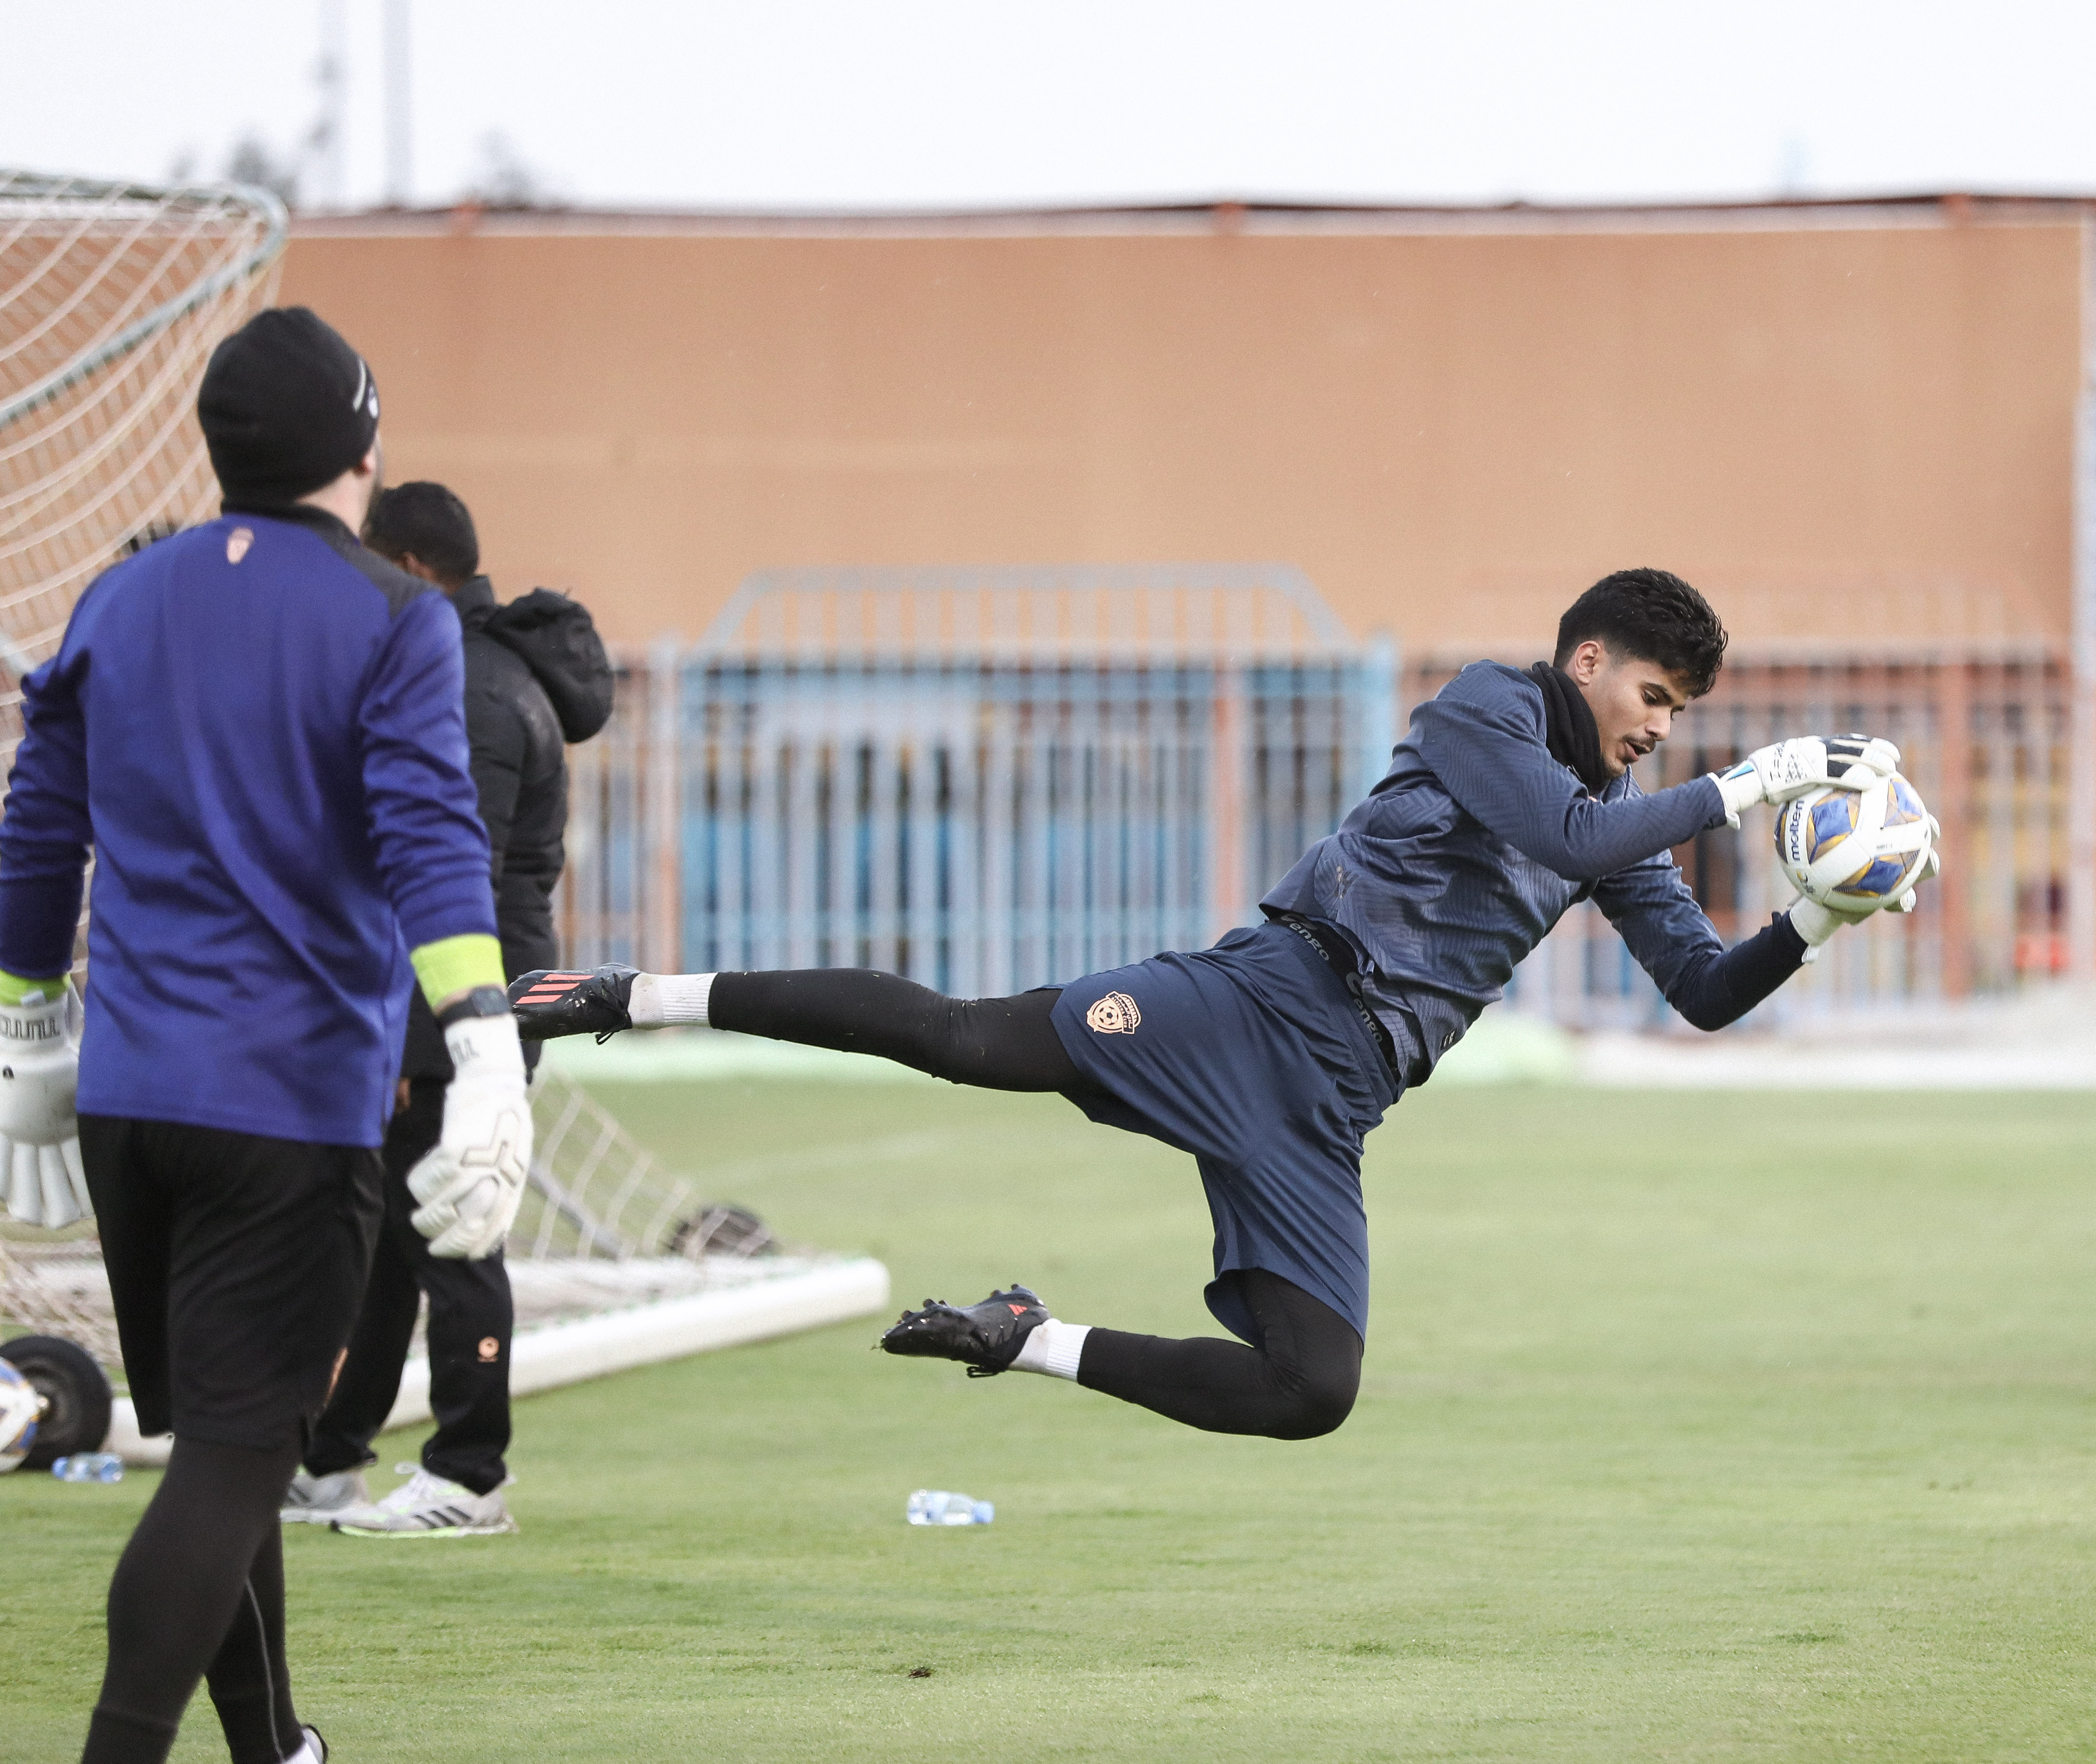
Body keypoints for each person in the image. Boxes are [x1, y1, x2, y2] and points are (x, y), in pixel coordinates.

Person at [504, 570, 1935, 1443]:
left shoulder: (1618, 814)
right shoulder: (1486, 710)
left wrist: (1812, 916)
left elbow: (1700, 992)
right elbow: (1562, 839)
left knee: (1312, 1389)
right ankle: (631, 994)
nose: (1659, 726)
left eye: (1682, 713)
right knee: (959, 1036)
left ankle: (1028, 1337)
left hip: (1331, 1108)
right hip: (1256, 1006)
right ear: (1583, 661)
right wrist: (1752, 782)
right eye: (1654, 693)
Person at [0, 308, 534, 1764]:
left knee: (219, 1457)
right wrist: (485, 1043)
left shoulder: (118, 597)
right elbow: (431, 842)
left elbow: (36, 833)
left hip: (129, 1103)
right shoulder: (391, 612)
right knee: (238, 1459)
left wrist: (28, 1024)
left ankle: (274, 1747)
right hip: (286, 1107)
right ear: (365, 450)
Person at [281, 482, 611, 1537]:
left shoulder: (464, 684)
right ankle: (331, 1458)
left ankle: (469, 1475)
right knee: (388, 1235)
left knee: (457, 1231)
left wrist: (425, 1033)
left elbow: (443, 871)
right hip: (464, 993)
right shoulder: (486, 670)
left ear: (412, 567)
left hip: (463, 999)